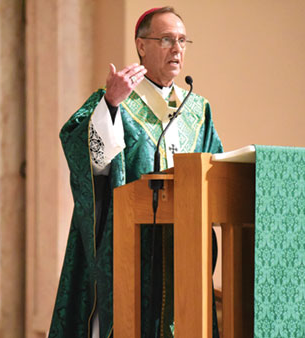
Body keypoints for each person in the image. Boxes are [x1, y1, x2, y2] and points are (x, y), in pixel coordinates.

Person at [48, 7, 223, 338]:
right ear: (141, 46)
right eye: (167, 40)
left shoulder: (197, 109)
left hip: (185, 245)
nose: (177, 49)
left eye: (183, 41)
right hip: (129, 245)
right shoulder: (115, 100)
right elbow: (87, 158)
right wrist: (110, 107)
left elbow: (216, 168)